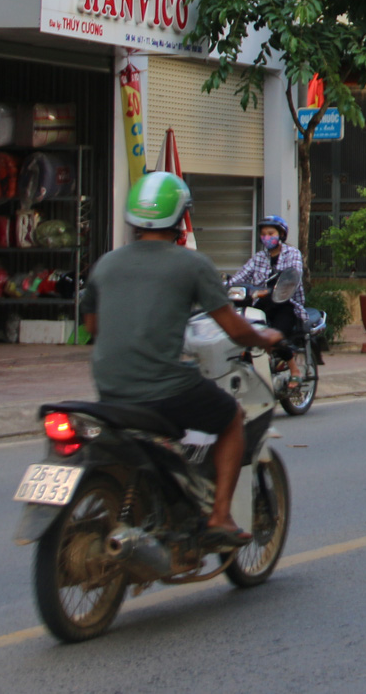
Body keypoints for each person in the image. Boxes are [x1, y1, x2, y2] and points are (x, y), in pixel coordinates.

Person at [82, 173, 281, 549]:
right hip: (162, 387)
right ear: (180, 218)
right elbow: (234, 329)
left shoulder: (105, 264)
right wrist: (265, 337)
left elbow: (93, 326)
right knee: (230, 416)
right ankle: (219, 516)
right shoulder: (192, 265)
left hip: (109, 388)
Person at [226, 214, 306, 377]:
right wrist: (224, 286)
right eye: (263, 234)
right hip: (261, 304)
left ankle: (294, 370)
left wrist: (274, 289)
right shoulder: (259, 258)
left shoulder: (292, 254)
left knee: (275, 336)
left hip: (286, 304)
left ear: (281, 235)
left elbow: (294, 277)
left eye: (271, 234)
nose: (266, 238)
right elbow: (240, 276)